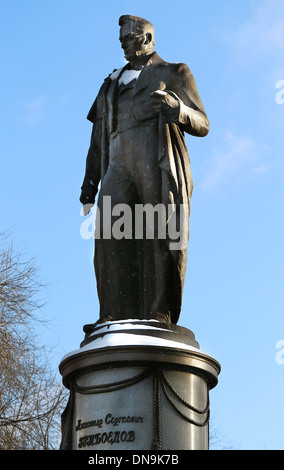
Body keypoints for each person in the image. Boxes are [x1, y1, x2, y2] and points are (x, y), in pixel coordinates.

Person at [80, 15, 209, 328]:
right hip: (117, 161)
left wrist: (179, 110)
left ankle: (158, 312)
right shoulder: (110, 84)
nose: (122, 43)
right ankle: (110, 315)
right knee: (109, 235)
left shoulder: (174, 72)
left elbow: (203, 123)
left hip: (156, 160)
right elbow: (98, 139)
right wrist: (88, 187)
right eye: (121, 39)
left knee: (159, 234)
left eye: (128, 38)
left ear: (147, 39)